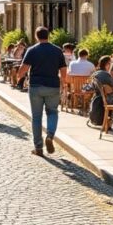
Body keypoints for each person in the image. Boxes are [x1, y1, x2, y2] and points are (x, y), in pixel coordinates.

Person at [16, 27, 68, 156]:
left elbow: (24, 68)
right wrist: (63, 83)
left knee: (37, 117)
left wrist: (19, 76)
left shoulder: (32, 50)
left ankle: (38, 147)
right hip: (53, 86)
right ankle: (50, 135)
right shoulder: (57, 50)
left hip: (36, 86)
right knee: (52, 113)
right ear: (48, 36)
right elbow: (63, 69)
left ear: (36, 36)